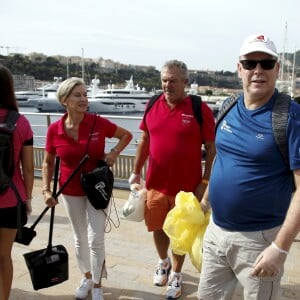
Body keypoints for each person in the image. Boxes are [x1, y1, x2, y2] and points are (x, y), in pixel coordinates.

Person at [197, 33, 300, 300]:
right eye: (250, 63)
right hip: (216, 231)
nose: (258, 70)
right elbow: (222, 157)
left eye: (266, 64)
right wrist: (206, 202)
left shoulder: (290, 117)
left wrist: (280, 248)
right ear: (239, 68)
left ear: (277, 69)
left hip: (259, 241)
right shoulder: (228, 105)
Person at [128, 60, 216, 299]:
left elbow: (211, 147)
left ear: (185, 83)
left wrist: (205, 182)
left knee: (180, 231)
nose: (168, 85)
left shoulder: (199, 108)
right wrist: (136, 171)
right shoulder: (152, 104)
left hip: (186, 190)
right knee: (157, 227)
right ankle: (163, 262)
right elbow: (144, 140)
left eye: (173, 81)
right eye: (164, 80)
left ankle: (176, 274)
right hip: (155, 184)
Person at [42, 77, 132, 300]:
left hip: (96, 188)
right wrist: (45, 189)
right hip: (69, 190)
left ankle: (98, 285)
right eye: (77, 95)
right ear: (65, 100)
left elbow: (126, 135)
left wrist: (113, 153)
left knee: (96, 239)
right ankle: (87, 275)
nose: (84, 99)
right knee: (79, 238)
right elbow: (47, 162)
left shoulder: (97, 123)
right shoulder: (54, 130)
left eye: (85, 94)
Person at [0, 65, 34, 300]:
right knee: (4, 256)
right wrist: (28, 199)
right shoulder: (21, 123)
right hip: (12, 199)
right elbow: (29, 169)